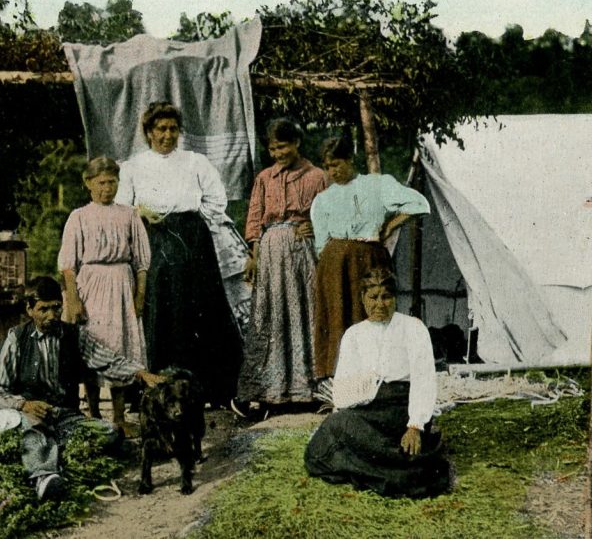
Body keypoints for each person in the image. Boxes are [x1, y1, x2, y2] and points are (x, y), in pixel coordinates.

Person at [114, 101, 244, 405]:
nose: (167, 135)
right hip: (153, 239)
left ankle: (211, 390)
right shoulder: (133, 167)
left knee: (202, 309)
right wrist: (139, 211)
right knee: (159, 309)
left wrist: (193, 224)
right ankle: (156, 390)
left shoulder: (194, 162)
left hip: (192, 240)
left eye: (173, 129)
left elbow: (216, 200)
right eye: (161, 129)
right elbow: (120, 208)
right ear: (148, 132)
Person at [0, 276, 162, 500]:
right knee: (33, 432)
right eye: (43, 309)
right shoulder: (16, 339)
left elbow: (107, 360)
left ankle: (53, 448)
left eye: (56, 308)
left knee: (109, 433)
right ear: (29, 309)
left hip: (66, 416)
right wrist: (25, 404)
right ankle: (45, 477)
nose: (52, 315)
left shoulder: (74, 335)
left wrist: (140, 373)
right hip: (30, 416)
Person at [304, 269, 450, 498]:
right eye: (373, 297)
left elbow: (424, 378)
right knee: (319, 449)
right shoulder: (354, 334)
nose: (380, 304)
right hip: (368, 407)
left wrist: (415, 426)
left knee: (340, 436)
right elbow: (344, 387)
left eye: (386, 297)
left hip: (402, 408)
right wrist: (343, 415)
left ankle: (400, 469)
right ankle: (393, 467)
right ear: (363, 298)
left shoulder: (413, 327)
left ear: (395, 298)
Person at [309, 136, 430, 379]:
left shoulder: (377, 185)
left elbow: (419, 203)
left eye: (337, 164)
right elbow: (321, 244)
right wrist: (333, 264)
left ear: (350, 160)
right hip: (335, 266)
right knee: (338, 318)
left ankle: (377, 376)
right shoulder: (323, 199)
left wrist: (390, 225)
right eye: (327, 166)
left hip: (369, 260)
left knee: (371, 314)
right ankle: (339, 381)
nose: (333, 171)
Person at [235, 118, 328, 408]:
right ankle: (272, 391)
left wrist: (315, 226)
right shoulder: (264, 178)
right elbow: (254, 218)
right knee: (271, 315)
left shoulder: (316, 176)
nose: (278, 153)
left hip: (302, 251)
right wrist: (253, 253)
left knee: (304, 312)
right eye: (273, 149)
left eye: (283, 146)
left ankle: (308, 390)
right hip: (271, 252)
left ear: (297, 143)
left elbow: (328, 211)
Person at [59, 156, 151, 433]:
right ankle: (94, 413)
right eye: (101, 183)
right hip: (91, 287)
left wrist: (140, 296)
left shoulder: (129, 215)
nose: (107, 188)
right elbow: (67, 264)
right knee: (92, 347)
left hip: (122, 286)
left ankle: (120, 417)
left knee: (119, 348)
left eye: (112, 182)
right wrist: (73, 300)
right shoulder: (79, 216)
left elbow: (142, 262)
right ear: (88, 184)